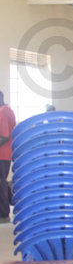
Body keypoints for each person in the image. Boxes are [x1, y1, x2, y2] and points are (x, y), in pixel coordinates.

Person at [0, 91, 16, 223]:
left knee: (1, 182)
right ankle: (11, 201)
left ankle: (3, 214)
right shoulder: (7, 110)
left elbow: (4, 137)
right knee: (2, 182)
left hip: (2, 154)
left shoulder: (2, 112)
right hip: (6, 154)